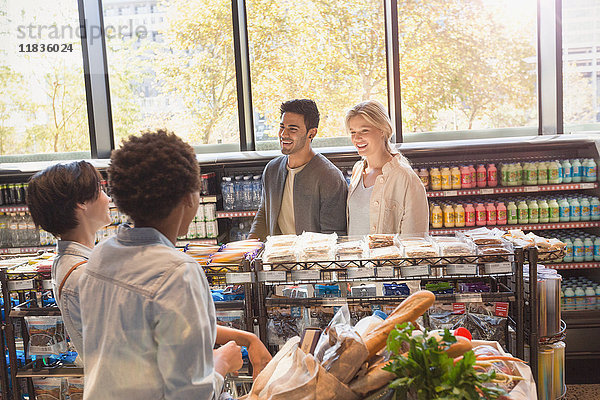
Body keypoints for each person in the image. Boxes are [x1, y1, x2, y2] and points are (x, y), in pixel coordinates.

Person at [79, 130, 270, 399]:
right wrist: (223, 362)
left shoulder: (100, 257)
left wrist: (244, 338)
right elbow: (192, 393)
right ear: (188, 198)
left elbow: (143, 333)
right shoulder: (178, 272)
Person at [26, 161, 112, 357]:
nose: (108, 198)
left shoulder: (70, 262)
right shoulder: (82, 275)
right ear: (81, 203)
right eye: (100, 190)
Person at [249, 99, 348, 240]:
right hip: (277, 259)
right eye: (282, 127)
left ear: (312, 134)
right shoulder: (272, 169)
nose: (283, 134)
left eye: (292, 129)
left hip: (313, 260)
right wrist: (247, 248)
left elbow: (333, 235)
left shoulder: (329, 177)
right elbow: (264, 213)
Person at [346, 100, 429, 236]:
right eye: (353, 132)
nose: (357, 138)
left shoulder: (405, 177)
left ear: (382, 130)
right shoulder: (358, 170)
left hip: (384, 258)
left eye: (364, 130)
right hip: (353, 257)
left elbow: (415, 240)